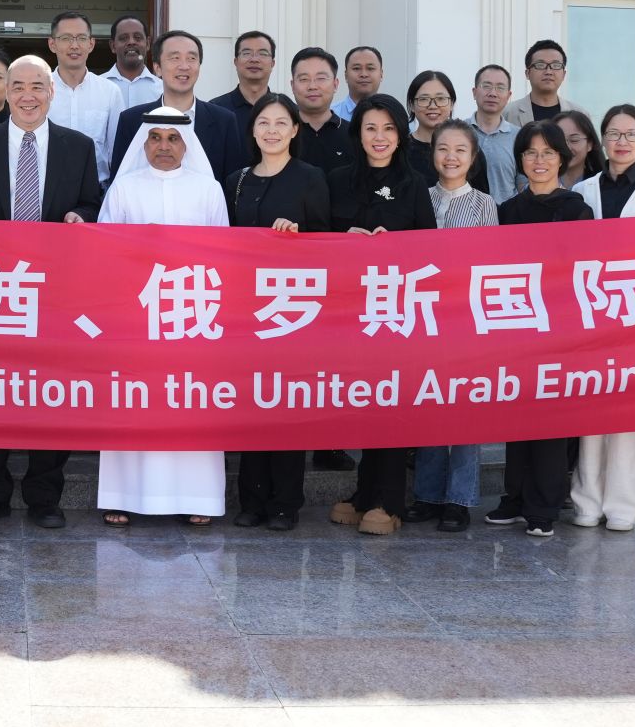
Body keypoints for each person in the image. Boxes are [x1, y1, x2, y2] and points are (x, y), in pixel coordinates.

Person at [0, 55, 102, 529]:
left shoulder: (78, 146)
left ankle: (44, 496)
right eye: (17, 86)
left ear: (51, 92)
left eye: (37, 86)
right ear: (5, 92)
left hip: (56, 292)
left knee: (52, 393)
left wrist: (80, 216)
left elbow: (91, 202)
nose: (27, 96)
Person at [97, 107, 229, 526]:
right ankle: (123, 496)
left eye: (173, 138)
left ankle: (198, 498)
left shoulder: (208, 189)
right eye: (155, 138)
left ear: (187, 145)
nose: (164, 146)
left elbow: (224, 256)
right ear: (144, 143)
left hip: (193, 317)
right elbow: (104, 250)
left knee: (191, 405)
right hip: (137, 317)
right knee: (133, 403)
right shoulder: (124, 189)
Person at [326, 94, 436, 537]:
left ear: (401, 135)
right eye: (371, 128)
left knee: (392, 404)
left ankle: (389, 501)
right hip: (349, 312)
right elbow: (316, 242)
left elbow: (430, 250)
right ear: (358, 133)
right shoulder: (336, 179)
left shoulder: (415, 183)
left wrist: (397, 246)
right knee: (364, 406)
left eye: (389, 128)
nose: (379, 137)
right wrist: (343, 238)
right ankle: (364, 492)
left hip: (396, 312)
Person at [566, 104, 635, 532]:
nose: (622, 141)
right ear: (603, 140)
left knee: (629, 415)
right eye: (614, 133)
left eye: (632, 134)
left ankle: (623, 507)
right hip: (590, 315)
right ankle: (586, 501)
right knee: (590, 411)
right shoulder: (583, 191)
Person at [222, 93, 328, 530]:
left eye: (281, 122)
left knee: (286, 408)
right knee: (252, 406)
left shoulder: (310, 177)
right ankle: (252, 501)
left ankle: (285, 503)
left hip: (293, 313)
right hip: (246, 312)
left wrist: (297, 237)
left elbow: (327, 241)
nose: (271, 130)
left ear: (295, 130)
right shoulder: (237, 180)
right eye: (263, 122)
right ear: (252, 130)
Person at [483, 121, 593, 536]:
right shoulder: (507, 211)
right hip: (516, 325)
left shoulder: (577, 210)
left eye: (548, 152)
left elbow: (579, 271)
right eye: (530, 152)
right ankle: (513, 497)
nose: (539, 160)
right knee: (517, 417)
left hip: (560, 330)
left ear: (562, 159)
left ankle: (543, 507)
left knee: (551, 421)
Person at [407, 119, 495, 531]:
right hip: (423, 318)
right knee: (427, 404)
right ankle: (426, 495)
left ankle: (459, 499)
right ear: (432, 154)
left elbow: (488, 265)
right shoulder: (419, 198)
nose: (451, 157)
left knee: (463, 410)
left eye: (461, 149)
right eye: (443, 148)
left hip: (464, 321)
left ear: (473, 157)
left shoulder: (484, 204)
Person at [110, 31, 241, 178]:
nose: (184, 66)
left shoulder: (224, 121)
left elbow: (232, 184)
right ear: (157, 68)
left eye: (191, 58)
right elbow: (119, 180)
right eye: (175, 58)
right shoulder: (131, 121)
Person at [46, 11, 125, 182]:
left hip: (97, 189)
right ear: (52, 44)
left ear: (91, 44)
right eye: (66, 38)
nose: (74, 45)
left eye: (81, 38)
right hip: (49, 188)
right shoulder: (40, 91)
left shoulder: (110, 92)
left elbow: (117, 150)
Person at [403, 70, 488, 193]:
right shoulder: (401, 151)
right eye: (424, 99)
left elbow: (482, 197)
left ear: (452, 103)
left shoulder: (468, 150)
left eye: (441, 98)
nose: (433, 106)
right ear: (411, 105)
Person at [287, 46, 355, 175]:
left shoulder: (354, 135)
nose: (312, 86)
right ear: (292, 86)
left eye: (321, 78)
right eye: (304, 79)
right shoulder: (280, 135)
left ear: (335, 84)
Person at [468, 64, 520, 201]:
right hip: (462, 211)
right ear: (474, 92)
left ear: (508, 96)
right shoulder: (458, 132)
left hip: (506, 212)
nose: (493, 93)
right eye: (486, 86)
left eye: (500, 88)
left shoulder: (519, 137)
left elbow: (523, 184)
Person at [506, 39, 586, 127]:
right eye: (540, 65)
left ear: (563, 74)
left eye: (556, 65)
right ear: (527, 73)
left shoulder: (580, 115)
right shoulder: (508, 113)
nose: (548, 72)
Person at [210, 30, 276, 134]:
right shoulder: (214, 109)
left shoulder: (286, 111)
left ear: (272, 63)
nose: (254, 59)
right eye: (247, 53)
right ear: (236, 62)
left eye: (263, 54)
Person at [101, 14, 161, 108]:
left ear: (148, 44)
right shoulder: (97, 87)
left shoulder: (163, 89)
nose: (131, 42)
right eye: (123, 38)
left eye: (137, 37)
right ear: (113, 46)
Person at [330, 45, 385, 119]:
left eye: (370, 68)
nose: (364, 74)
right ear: (346, 75)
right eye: (356, 68)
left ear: (381, 74)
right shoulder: (330, 115)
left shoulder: (392, 115)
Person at [556, 110, 605, 188]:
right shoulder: (539, 183)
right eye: (560, 140)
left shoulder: (601, 185)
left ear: (589, 144)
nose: (567, 147)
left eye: (574, 140)